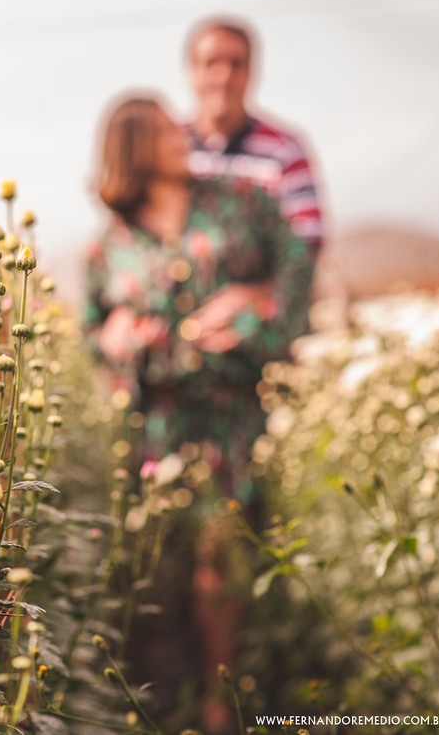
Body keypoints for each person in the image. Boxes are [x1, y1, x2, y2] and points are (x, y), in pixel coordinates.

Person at [82, 95, 314, 734]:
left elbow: (296, 268)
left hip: (233, 414)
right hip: (155, 424)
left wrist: (255, 300)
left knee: (223, 556)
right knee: (155, 564)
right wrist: (117, 338)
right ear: (131, 146)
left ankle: (223, 702)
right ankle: (157, 700)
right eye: (160, 127)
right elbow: (92, 331)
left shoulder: (241, 202)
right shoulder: (109, 247)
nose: (178, 130)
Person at [183, 17, 325, 334]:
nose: (224, 77)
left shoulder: (285, 150)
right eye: (211, 64)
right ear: (192, 72)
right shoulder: (168, 151)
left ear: (251, 73)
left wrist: (251, 296)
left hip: (261, 331)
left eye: (237, 64)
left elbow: (307, 245)